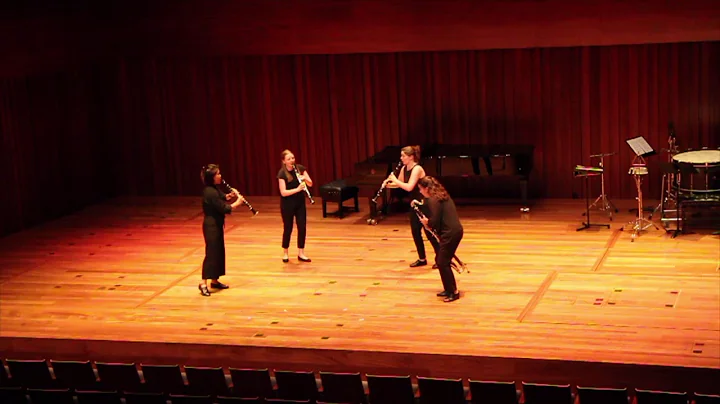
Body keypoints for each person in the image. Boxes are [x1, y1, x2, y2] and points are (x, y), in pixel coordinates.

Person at [413, 176, 463, 302]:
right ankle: (448, 289)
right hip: (454, 231)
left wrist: (426, 222)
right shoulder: (441, 196)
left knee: (442, 262)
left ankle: (453, 292)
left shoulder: (433, 200)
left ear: (427, 188)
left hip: (450, 233)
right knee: (441, 260)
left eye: (420, 189)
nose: (420, 191)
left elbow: (434, 221)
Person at [199, 164, 246, 296]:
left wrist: (231, 195)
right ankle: (203, 283)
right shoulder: (209, 192)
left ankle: (214, 280)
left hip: (217, 224)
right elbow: (224, 208)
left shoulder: (214, 189)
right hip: (211, 226)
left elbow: (224, 198)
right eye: (218, 174)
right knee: (211, 253)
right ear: (212, 177)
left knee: (219, 252)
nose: (220, 176)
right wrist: (237, 203)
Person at [384, 145, 429, 267]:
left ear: (411, 157)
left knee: (429, 233)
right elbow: (399, 184)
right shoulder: (405, 168)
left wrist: (395, 179)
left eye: (403, 156)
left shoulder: (417, 169)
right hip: (413, 204)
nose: (401, 158)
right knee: (415, 232)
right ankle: (422, 258)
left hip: (423, 203)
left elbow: (409, 187)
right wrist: (388, 184)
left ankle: (440, 259)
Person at [277, 149, 314, 263]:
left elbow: (310, 183)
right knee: (288, 228)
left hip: (299, 203)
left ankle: (301, 253)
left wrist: (305, 179)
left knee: (302, 227)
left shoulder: (300, 168)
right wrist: (297, 189)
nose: (292, 160)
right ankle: (285, 253)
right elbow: (283, 192)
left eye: (292, 158)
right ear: (284, 161)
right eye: (289, 159)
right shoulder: (282, 173)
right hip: (287, 204)